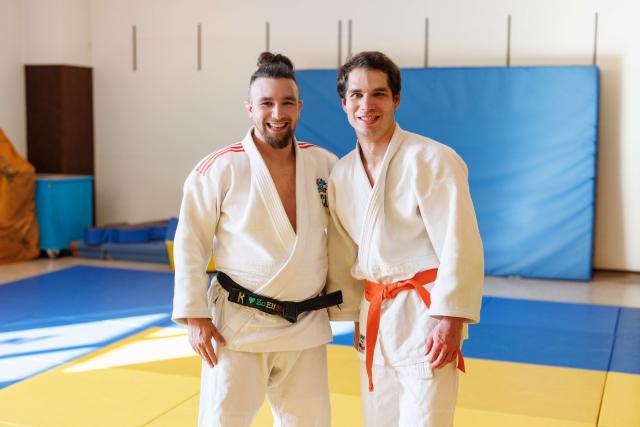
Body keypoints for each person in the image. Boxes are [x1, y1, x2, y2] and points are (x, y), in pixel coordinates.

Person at [172, 52, 341, 427]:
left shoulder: (326, 165)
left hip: (306, 325)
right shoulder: (218, 168)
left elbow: (346, 240)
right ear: (250, 108)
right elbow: (190, 245)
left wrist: (357, 309)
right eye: (266, 103)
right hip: (238, 326)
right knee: (224, 421)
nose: (277, 113)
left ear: (299, 107)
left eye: (286, 103)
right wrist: (195, 316)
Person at [327, 51, 484, 426]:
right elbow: (344, 252)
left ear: (396, 99)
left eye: (379, 94)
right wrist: (352, 318)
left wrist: (449, 319)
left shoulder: (432, 159)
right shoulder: (341, 175)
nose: (367, 105)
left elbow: (459, 243)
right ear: (344, 102)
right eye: (358, 95)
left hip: (425, 316)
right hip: (375, 316)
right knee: (377, 419)